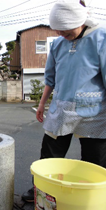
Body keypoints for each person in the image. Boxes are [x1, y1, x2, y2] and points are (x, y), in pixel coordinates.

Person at [22, 0, 106, 202]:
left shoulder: (100, 37)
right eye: (58, 31)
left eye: (66, 31)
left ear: (80, 20)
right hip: (61, 107)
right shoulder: (59, 43)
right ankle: (41, 190)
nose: (61, 35)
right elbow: (50, 77)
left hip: (94, 109)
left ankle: (90, 197)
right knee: (50, 152)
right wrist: (42, 104)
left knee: (95, 158)